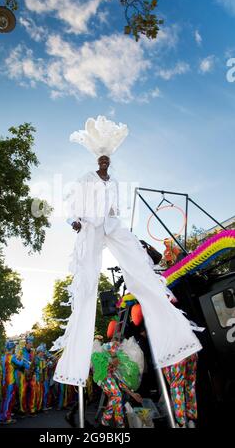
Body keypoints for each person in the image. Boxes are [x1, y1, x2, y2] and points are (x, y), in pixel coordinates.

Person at [52, 116, 202, 390]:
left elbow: (114, 209)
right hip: (89, 224)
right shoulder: (87, 178)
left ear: (110, 162)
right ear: (96, 162)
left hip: (110, 224)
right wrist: (74, 220)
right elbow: (72, 200)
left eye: (107, 161)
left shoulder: (114, 182)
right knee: (86, 283)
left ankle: (173, 335)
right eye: (101, 161)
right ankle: (74, 362)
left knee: (139, 266)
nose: (104, 164)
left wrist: (116, 226)